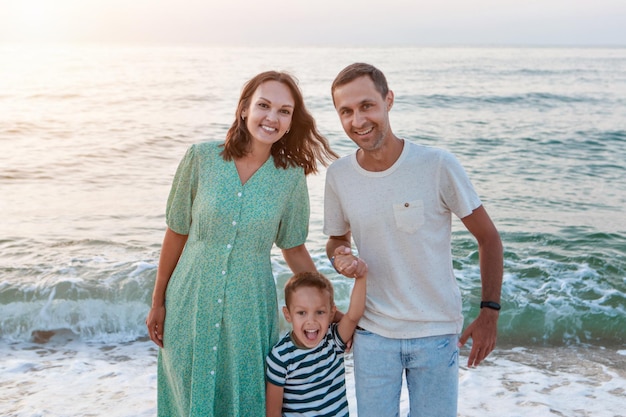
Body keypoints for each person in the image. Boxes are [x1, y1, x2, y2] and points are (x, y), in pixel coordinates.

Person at [146, 70, 338, 417]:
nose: (272, 117)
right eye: (264, 105)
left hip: (249, 306)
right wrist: (158, 301)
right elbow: (177, 231)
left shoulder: (291, 177)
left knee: (244, 396)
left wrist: (329, 305)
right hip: (190, 299)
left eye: (284, 111)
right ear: (244, 108)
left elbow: (293, 247)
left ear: (292, 120)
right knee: (186, 394)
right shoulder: (201, 158)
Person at [323, 63, 503, 417]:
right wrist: (339, 256)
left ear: (388, 100)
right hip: (373, 334)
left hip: (435, 333)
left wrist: (489, 314)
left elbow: (489, 238)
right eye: (346, 111)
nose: (358, 120)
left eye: (367, 106)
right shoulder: (339, 175)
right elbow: (335, 240)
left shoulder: (437, 165)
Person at [265, 261, 367, 417]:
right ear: (287, 314)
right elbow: (273, 412)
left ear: (331, 313)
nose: (311, 321)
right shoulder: (280, 357)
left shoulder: (333, 340)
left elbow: (353, 316)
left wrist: (361, 278)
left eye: (319, 312)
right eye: (301, 313)